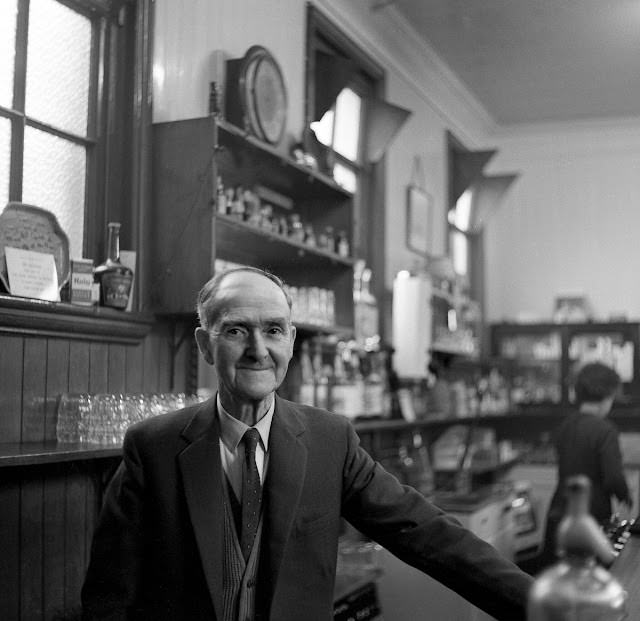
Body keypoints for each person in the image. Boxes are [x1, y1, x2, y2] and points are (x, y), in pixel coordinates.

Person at [81, 266, 532, 620]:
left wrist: (545, 603)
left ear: (292, 341)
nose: (259, 348)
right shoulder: (153, 447)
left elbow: (427, 533)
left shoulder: (330, 440)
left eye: (274, 330)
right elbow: (108, 593)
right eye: (237, 330)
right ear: (204, 344)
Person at [540, 361, 632, 567]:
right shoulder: (605, 430)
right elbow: (614, 477)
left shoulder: (565, 426)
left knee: (560, 580)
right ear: (607, 397)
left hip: (559, 514)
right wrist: (626, 495)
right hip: (591, 519)